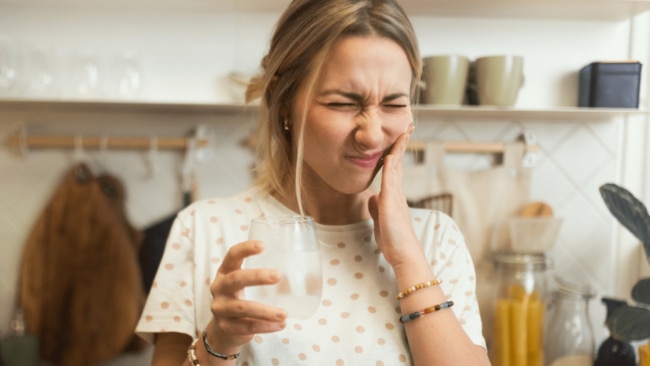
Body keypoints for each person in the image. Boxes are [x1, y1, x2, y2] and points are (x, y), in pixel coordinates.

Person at [135, 0, 490, 365]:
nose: (371, 135)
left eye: (394, 104)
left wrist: (407, 259)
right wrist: (219, 342)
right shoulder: (203, 228)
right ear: (283, 102)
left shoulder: (436, 237)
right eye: (342, 103)